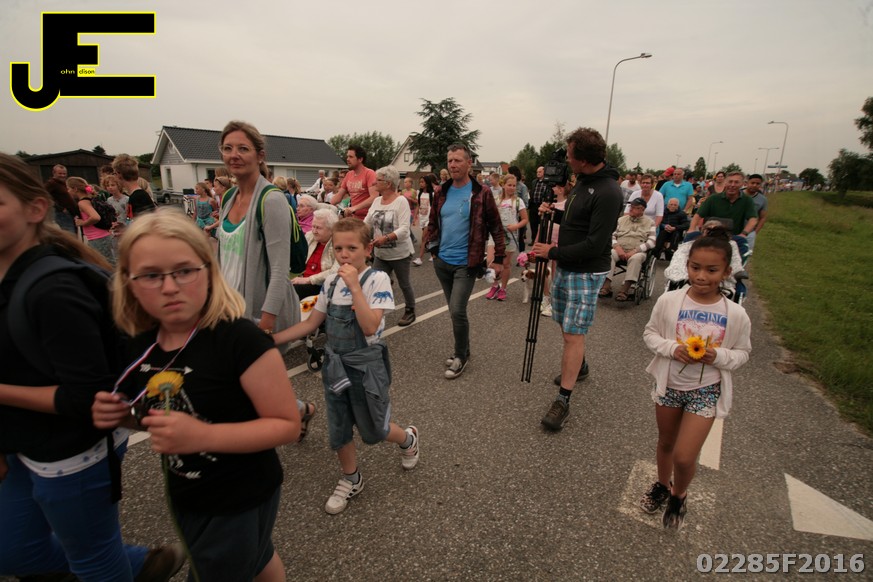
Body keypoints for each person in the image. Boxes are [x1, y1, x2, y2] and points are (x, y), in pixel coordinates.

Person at [0, 153, 182, 581]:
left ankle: (128, 565)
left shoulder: (54, 290)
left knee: (93, 559)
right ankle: (140, 564)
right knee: (13, 551)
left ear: (35, 209)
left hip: (72, 447)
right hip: (21, 439)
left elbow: (88, 396)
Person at [93, 209, 300, 580]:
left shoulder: (240, 340)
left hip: (239, 495)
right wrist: (123, 416)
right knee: (259, 556)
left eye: (184, 271)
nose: (169, 287)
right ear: (129, 282)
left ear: (208, 270)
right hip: (188, 487)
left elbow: (287, 424)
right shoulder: (139, 344)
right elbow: (159, 414)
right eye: (151, 276)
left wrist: (204, 436)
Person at [272, 218, 420, 515]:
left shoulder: (377, 279)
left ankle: (408, 439)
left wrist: (354, 287)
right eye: (338, 248)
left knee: (375, 429)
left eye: (352, 248)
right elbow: (312, 324)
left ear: (367, 250)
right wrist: (271, 340)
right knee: (338, 426)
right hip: (335, 366)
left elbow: (370, 326)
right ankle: (351, 477)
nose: (344, 255)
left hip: (366, 367)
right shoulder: (330, 282)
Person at [639, 234, 751, 529]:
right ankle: (662, 484)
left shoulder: (735, 314)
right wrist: (671, 348)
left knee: (684, 456)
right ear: (687, 266)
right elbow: (650, 334)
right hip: (669, 384)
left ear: (726, 272)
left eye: (712, 270)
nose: (701, 276)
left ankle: (679, 494)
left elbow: (743, 352)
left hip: (706, 390)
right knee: (666, 442)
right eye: (695, 267)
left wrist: (719, 356)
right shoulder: (669, 301)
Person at [215, 120, 314, 437]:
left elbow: (280, 268)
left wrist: (266, 324)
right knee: (253, 384)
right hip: (230, 308)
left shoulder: (271, 200)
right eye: (228, 148)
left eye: (243, 148)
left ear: (259, 155)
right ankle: (299, 410)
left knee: (244, 386)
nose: (234, 154)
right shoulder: (228, 198)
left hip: (262, 311)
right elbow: (223, 255)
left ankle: (254, 446)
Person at [530, 127, 623, 430]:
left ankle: (563, 400)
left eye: (570, 155)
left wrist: (552, 251)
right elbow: (576, 220)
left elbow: (595, 244)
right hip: (567, 265)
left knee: (573, 333)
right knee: (565, 324)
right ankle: (579, 365)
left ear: (583, 159)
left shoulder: (608, 192)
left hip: (586, 271)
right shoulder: (583, 181)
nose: (567, 160)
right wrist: (554, 214)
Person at [424, 144, 505, 379]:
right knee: (453, 311)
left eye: (458, 160)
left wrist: (499, 259)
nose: (453, 165)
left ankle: (460, 356)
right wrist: (433, 250)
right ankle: (464, 350)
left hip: (466, 263)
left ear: (469, 163)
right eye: (450, 161)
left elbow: (496, 227)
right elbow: (432, 222)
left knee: (458, 310)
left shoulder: (482, 192)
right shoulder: (441, 191)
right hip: (442, 262)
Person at [364, 166, 416, 327]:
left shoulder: (401, 202)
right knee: (374, 283)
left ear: (388, 183)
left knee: (404, 283)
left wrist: (385, 238)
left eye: (377, 180)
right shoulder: (376, 201)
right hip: (381, 254)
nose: (374, 183)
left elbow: (405, 230)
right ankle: (375, 312)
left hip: (400, 254)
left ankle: (410, 310)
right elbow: (367, 223)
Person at [599, 197, 656, 302]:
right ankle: (606, 286)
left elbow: (652, 242)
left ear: (642, 210)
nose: (631, 209)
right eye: (631, 206)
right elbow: (612, 235)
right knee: (609, 254)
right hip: (619, 248)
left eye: (634, 207)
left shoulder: (650, 223)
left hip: (637, 251)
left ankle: (624, 290)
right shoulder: (621, 220)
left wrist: (635, 251)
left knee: (636, 259)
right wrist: (617, 247)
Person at [484, 174, 528, 302]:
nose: (512, 187)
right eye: (509, 185)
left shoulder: (518, 201)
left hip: (510, 236)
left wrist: (515, 226)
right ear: (503, 185)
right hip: (496, 235)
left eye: (514, 185)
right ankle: (494, 286)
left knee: (505, 264)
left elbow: (525, 219)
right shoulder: (496, 200)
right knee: (490, 261)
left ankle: (503, 288)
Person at [690, 171, 758, 239]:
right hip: (711, 237)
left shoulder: (747, 200)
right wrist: (692, 229)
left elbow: (753, 219)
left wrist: (744, 234)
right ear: (725, 182)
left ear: (742, 184)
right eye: (730, 182)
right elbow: (698, 215)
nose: (732, 185)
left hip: (734, 238)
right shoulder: (713, 198)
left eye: (736, 182)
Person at [292, 208, 339, 299]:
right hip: (301, 280)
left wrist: (308, 280)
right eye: (313, 226)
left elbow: (335, 271)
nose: (314, 231)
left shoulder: (339, 244)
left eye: (318, 228)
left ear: (331, 230)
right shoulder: (309, 236)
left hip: (322, 285)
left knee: (294, 290)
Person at [67, 176, 115, 265]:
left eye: (69, 188)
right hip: (99, 236)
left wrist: (83, 223)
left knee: (106, 264)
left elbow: (95, 217)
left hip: (98, 238)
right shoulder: (90, 199)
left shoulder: (82, 203)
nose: (68, 191)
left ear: (75, 189)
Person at [332, 145, 378, 220]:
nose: (347, 159)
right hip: (354, 218)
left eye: (351, 157)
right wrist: (326, 205)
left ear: (360, 159)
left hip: (368, 218)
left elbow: (374, 197)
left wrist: (354, 208)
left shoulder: (369, 173)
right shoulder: (349, 175)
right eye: (347, 156)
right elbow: (339, 196)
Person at [113, 154, 156, 218]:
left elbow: (146, 222)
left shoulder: (138, 197)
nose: (114, 177)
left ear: (119, 174)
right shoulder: (138, 195)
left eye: (114, 174)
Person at [44, 164, 78, 234]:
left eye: (64, 174)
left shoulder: (64, 183)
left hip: (71, 213)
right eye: (60, 173)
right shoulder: (51, 183)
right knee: (70, 235)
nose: (62, 175)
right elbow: (43, 195)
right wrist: (59, 208)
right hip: (63, 214)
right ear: (54, 173)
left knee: (74, 234)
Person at [412, 174, 434, 266]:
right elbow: (418, 205)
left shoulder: (432, 194)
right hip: (422, 218)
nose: (421, 184)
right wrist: (415, 217)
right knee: (429, 237)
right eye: (420, 182)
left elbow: (434, 207)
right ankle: (434, 254)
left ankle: (420, 259)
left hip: (429, 219)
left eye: (422, 182)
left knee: (424, 238)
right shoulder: (419, 193)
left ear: (427, 183)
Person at [743, 173, 768, 252]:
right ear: (747, 183)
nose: (754, 185)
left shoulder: (763, 199)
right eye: (752, 183)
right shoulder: (737, 194)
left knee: (745, 255)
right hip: (734, 231)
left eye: (757, 183)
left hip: (749, 233)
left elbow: (763, 217)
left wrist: (755, 232)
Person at [528, 166, 549, 252]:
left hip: (542, 206)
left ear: (544, 172)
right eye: (537, 172)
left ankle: (541, 240)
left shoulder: (547, 182)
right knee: (533, 224)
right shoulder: (534, 182)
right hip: (533, 205)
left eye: (540, 172)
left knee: (542, 223)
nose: (538, 173)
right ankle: (533, 239)